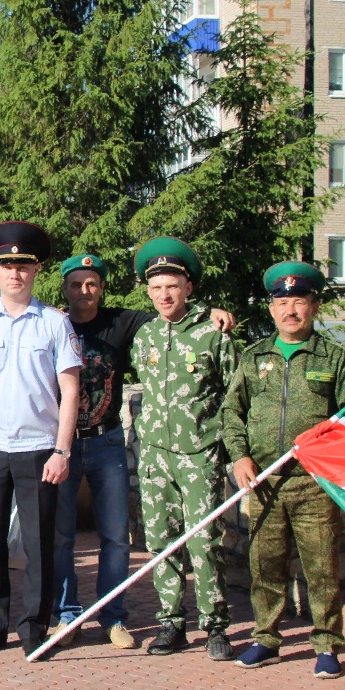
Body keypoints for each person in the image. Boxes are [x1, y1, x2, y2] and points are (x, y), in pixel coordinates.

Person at [51, 255, 236, 650]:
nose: (85, 291)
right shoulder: (52, 323)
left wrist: (213, 310)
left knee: (121, 538)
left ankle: (121, 618)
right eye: (76, 284)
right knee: (66, 538)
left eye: (92, 284)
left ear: (102, 287)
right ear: (64, 288)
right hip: (65, 445)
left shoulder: (132, 324)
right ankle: (70, 617)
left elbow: (182, 320)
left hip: (111, 443)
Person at [221, 263, 345, 678]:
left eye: (299, 301)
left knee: (322, 566)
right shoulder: (254, 357)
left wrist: (331, 456)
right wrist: (240, 456)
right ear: (271, 309)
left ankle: (326, 644)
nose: (291, 310)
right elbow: (233, 411)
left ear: (314, 306)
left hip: (313, 482)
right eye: (282, 302)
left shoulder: (335, 358)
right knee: (265, 565)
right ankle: (266, 638)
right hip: (264, 482)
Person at [0, 222, 82, 659]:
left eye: (23, 265)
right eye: (6, 264)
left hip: (39, 449)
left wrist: (63, 450)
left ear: (37, 270)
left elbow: (70, 391)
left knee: (37, 544)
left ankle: (34, 627)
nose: (14, 273)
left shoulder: (54, 325)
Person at [131, 237, 240, 660]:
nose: (164, 295)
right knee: (160, 541)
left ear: (189, 288)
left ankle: (215, 625)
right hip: (155, 454)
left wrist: (230, 450)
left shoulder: (214, 334)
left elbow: (234, 395)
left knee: (206, 541)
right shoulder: (145, 337)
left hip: (200, 454)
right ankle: (171, 623)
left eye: (172, 286)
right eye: (156, 288)